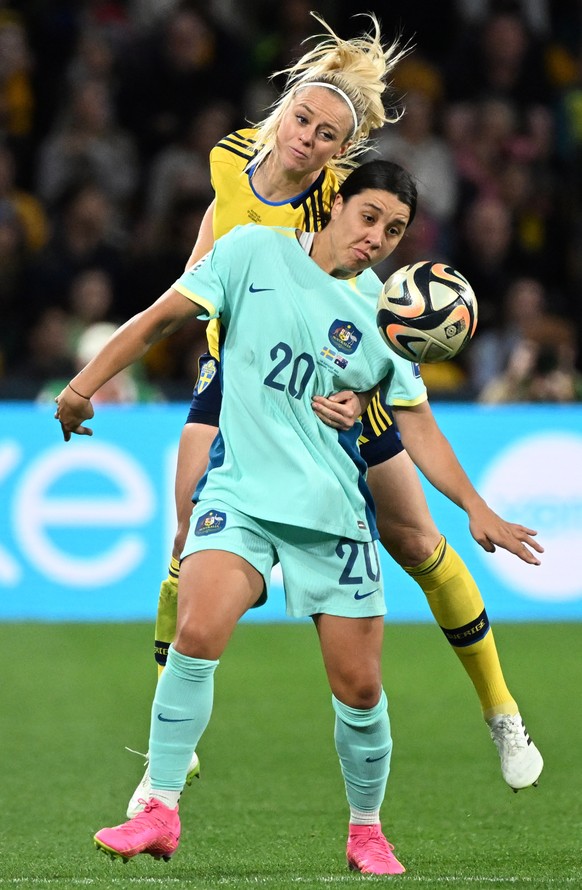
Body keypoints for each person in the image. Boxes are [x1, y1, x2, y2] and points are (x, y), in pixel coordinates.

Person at [55, 161, 543, 876]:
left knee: (361, 688)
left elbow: (419, 428)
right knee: (197, 629)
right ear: (336, 203)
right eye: (369, 216)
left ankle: (366, 831)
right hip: (243, 495)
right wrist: (81, 386)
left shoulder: (386, 320)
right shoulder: (251, 250)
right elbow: (157, 320)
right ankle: (160, 808)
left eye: (395, 230)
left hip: (333, 513)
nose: (377, 237)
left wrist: (476, 507)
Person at [128, 10, 544, 812]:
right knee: (187, 527)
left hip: (331, 377)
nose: (308, 137)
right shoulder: (230, 156)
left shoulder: (333, 200)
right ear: (283, 105)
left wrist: (361, 380)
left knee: (418, 540)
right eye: (303, 118)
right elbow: (216, 234)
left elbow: (353, 286)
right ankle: (168, 753)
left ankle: (502, 711)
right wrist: (198, 310)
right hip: (236, 365)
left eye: (327, 133)